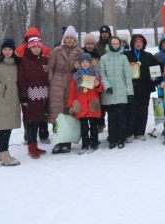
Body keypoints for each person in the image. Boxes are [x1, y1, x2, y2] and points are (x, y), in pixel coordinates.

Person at [48, 25, 83, 154]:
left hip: (72, 83)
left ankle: (67, 142)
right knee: (57, 114)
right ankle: (57, 142)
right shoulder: (57, 51)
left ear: (75, 39)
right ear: (64, 38)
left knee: (69, 113)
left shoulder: (80, 52)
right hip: (57, 83)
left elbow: (85, 68)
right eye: (67, 37)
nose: (69, 40)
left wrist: (77, 67)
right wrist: (51, 80)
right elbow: (50, 67)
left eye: (71, 38)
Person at [17, 37, 49, 158]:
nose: (36, 49)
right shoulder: (24, 61)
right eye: (34, 47)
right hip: (30, 97)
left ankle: (35, 145)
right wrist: (23, 97)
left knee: (39, 120)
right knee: (31, 122)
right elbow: (21, 80)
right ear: (29, 48)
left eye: (38, 47)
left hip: (43, 97)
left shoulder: (45, 60)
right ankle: (31, 146)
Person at [100, 35, 134, 149]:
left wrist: (129, 93)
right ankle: (112, 139)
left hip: (121, 93)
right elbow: (102, 74)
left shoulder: (123, 58)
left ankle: (121, 138)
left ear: (120, 45)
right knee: (111, 118)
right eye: (113, 43)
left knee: (121, 118)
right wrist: (107, 86)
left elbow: (128, 76)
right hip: (109, 93)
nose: (115, 45)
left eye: (117, 44)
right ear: (110, 44)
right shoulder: (104, 58)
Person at [67, 53, 104, 154]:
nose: (85, 64)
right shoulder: (76, 76)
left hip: (93, 104)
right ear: (79, 64)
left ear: (91, 63)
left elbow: (101, 90)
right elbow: (72, 91)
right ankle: (85, 145)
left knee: (93, 126)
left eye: (87, 62)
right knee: (83, 128)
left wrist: (97, 85)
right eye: (83, 62)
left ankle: (94, 144)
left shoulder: (96, 74)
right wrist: (71, 104)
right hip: (81, 105)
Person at [126, 34, 157, 141]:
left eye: (140, 41)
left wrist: (155, 79)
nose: (138, 43)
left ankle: (139, 132)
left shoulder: (149, 56)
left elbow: (156, 69)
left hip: (145, 88)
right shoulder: (126, 55)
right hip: (131, 87)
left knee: (143, 110)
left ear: (143, 44)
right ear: (133, 43)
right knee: (131, 110)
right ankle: (130, 132)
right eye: (136, 41)